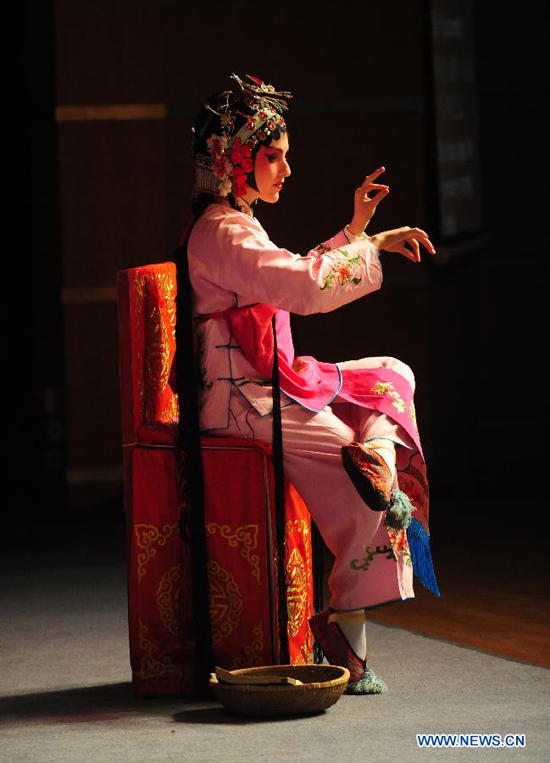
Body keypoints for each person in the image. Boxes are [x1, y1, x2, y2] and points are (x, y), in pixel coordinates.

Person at [176, 74, 439, 695]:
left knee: (390, 379)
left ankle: (377, 477)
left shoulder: (236, 226)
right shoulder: (222, 231)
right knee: (356, 467)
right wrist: (367, 242)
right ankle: (348, 622)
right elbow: (300, 286)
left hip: (268, 388)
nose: (286, 171)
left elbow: (292, 277)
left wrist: (357, 233)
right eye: (274, 157)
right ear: (234, 160)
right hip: (240, 400)